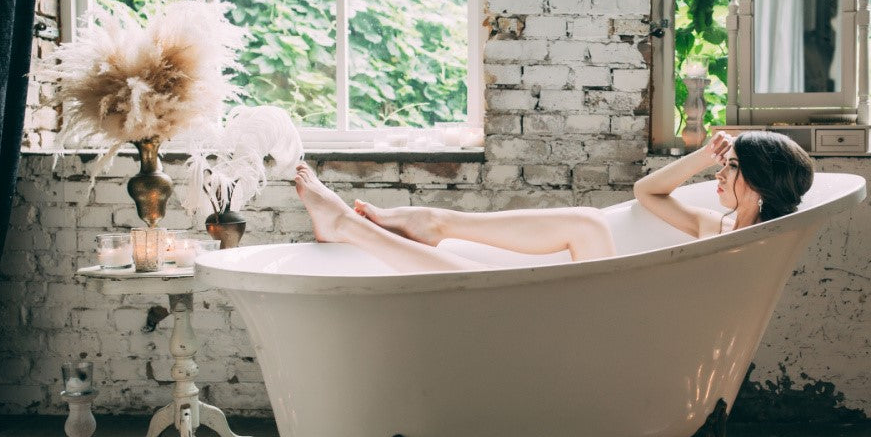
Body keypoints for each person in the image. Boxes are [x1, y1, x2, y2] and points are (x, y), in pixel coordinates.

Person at [292, 130, 813, 273]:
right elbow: (646, 192)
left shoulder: (754, 249)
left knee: (487, 285)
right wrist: (701, 156)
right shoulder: (711, 225)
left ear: (761, 185)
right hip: (630, 310)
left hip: (642, 335)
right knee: (588, 224)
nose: (721, 176)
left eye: (731, 168)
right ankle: (436, 221)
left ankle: (350, 228)